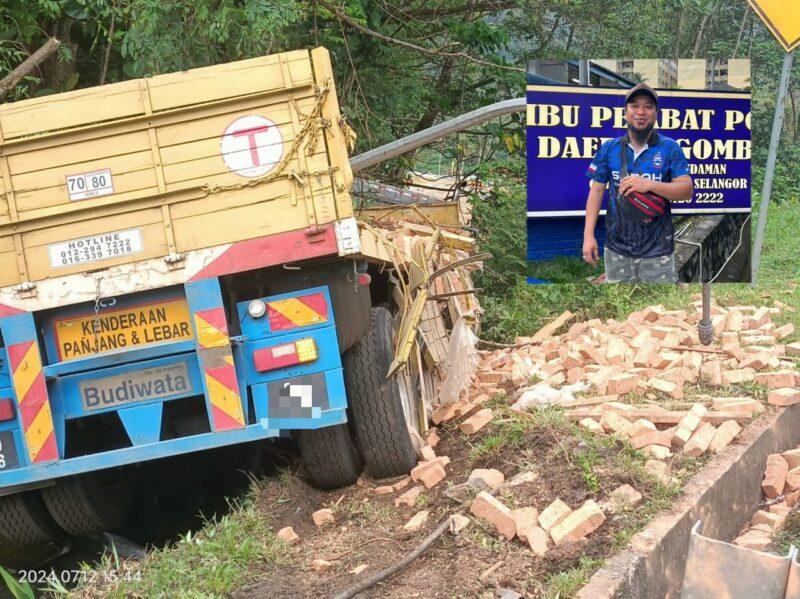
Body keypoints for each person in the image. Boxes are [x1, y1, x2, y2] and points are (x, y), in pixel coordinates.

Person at [582, 83, 693, 283]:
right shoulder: (609, 149)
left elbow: (686, 190)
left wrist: (649, 185)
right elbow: (596, 191)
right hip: (616, 249)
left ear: (656, 113)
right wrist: (588, 236)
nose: (641, 112)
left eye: (648, 106)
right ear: (625, 112)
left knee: (657, 306)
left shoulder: (669, 148)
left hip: (658, 251)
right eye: (634, 106)